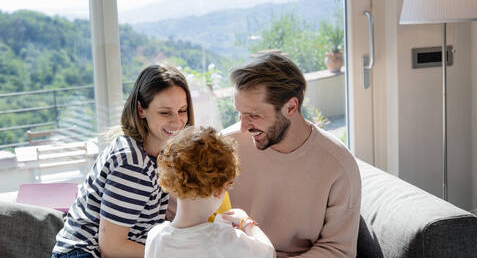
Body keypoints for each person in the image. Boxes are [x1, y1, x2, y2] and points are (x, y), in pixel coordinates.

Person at [225, 53, 361, 257]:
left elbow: (338, 250)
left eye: (254, 115)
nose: (244, 127)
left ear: (291, 107)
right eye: (240, 114)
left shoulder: (338, 165)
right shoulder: (223, 147)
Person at [52, 64, 194, 258]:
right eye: (165, 112)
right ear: (141, 109)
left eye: (182, 110)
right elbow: (112, 247)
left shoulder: (156, 153)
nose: (177, 121)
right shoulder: (133, 164)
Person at [145, 126, 275, 258]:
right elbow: (269, 252)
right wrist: (246, 222)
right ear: (219, 190)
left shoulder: (155, 237)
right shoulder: (225, 238)